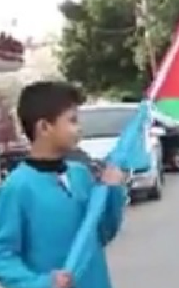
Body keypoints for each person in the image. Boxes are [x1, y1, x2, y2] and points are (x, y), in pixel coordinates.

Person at [0, 81, 126, 288]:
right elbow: (4, 257)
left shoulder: (80, 175)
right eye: (72, 121)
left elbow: (102, 233)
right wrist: (41, 283)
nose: (79, 128)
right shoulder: (18, 187)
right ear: (44, 127)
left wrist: (112, 192)